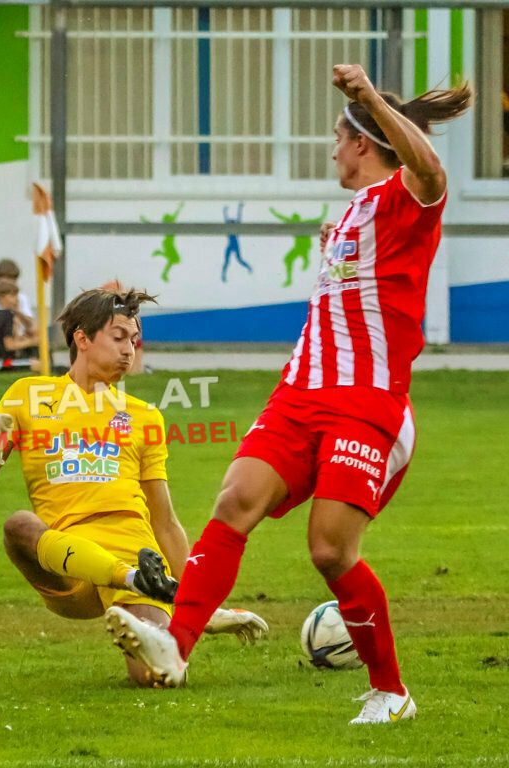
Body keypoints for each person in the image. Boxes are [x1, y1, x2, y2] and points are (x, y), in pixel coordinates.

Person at [108, 64, 472, 722]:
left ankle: (392, 693)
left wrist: (367, 100)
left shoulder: (403, 200)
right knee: (234, 500)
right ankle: (175, 647)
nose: (333, 146)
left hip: (367, 400)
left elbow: (433, 172)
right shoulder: (349, 217)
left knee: (329, 549)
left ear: (363, 141)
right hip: (300, 395)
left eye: (339, 134)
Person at [0, 287, 268, 687]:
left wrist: (202, 603)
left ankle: (145, 594)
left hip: (138, 555)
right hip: (69, 563)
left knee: (157, 677)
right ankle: (132, 581)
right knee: (19, 526)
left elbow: (165, 522)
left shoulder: (144, 416)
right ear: (82, 339)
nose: (130, 350)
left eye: (134, 341)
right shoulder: (28, 396)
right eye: (119, 337)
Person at [0, 280, 39, 371]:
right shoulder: (7, 316)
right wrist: (32, 341)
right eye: (12, 296)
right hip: (1, 362)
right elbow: (9, 345)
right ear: (1, 298)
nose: (17, 299)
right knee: (39, 365)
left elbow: (6, 339)